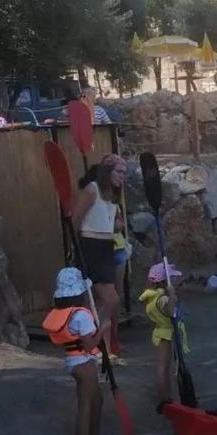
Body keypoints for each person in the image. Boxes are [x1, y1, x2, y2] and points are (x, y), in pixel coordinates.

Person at [41, 268, 114, 435]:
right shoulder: (81, 315)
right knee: (86, 405)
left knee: (97, 400)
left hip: (76, 361)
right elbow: (89, 345)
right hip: (83, 362)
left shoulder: (68, 313)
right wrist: (103, 329)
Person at [72, 153, 126, 364]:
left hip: (106, 247)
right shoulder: (92, 189)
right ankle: (93, 340)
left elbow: (110, 223)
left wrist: (116, 224)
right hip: (91, 246)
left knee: (99, 301)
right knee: (110, 300)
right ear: (108, 171)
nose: (122, 176)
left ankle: (104, 350)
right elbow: (76, 219)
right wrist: (78, 249)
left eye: (124, 173)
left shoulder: (111, 194)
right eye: (118, 172)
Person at [139, 262, 184, 410]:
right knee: (164, 367)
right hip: (165, 334)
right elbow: (170, 312)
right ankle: (164, 398)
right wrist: (172, 295)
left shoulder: (153, 296)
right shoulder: (162, 298)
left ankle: (167, 396)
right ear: (164, 282)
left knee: (165, 366)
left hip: (160, 332)